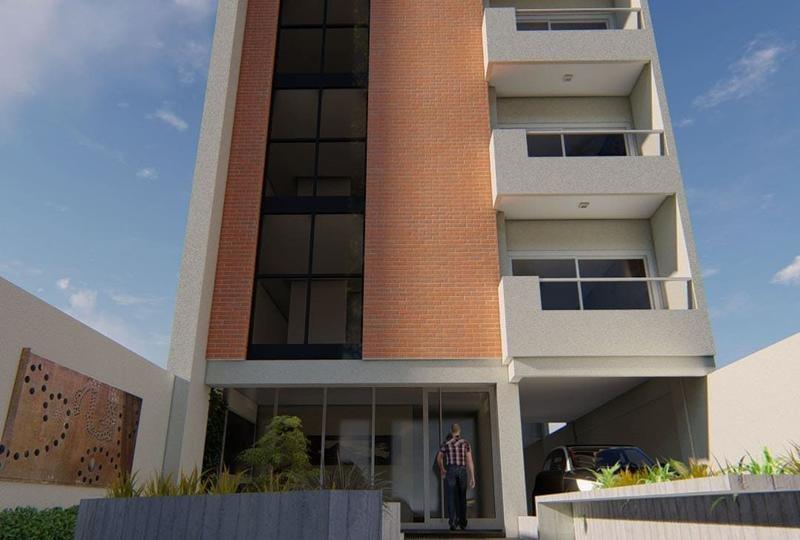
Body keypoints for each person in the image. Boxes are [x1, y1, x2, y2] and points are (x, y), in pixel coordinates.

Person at [436, 423, 475, 531]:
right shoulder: (465, 443)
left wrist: (442, 469)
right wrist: (472, 476)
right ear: (459, 431)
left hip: (451, 470)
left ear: (451, 431)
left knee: (451, 497)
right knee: (462, 497)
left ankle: (453, 523)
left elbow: (439, 458)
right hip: (462, 470)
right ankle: (463, 523)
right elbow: (469, 461)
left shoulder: (446, 443)